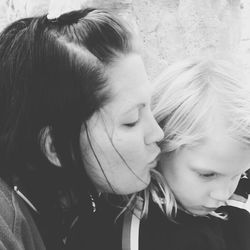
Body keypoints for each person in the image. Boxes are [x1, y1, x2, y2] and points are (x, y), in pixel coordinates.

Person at [0, 7, 163, 249]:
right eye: (131, 121)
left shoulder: (71, 192)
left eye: (150, 107)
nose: (158, 133)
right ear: (54, 146)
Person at [133, 56, 250, 250]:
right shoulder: (158, 234)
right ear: (162, 146)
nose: (222, 194)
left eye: (239, 174)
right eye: (207, 175)